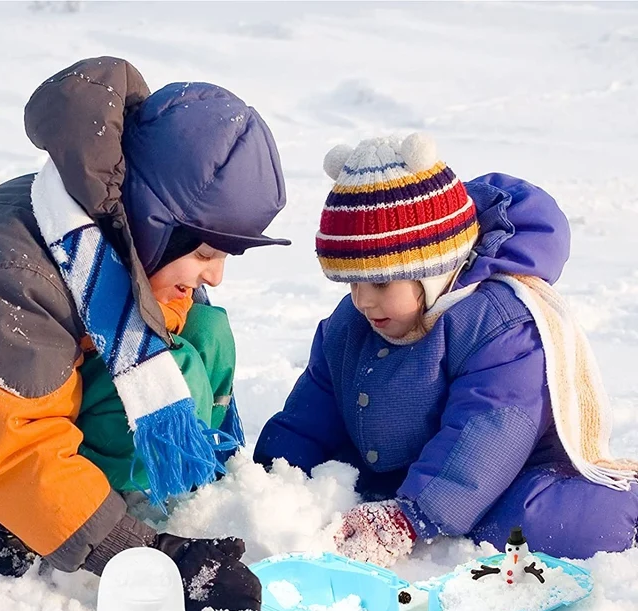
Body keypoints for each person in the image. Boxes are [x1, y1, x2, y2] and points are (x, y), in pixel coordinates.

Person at [0, 56, 290, 611]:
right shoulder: (5, 276)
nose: (217, 273)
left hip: (30, 377)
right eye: (205, 252)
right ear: (155, 220)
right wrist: (154, 557)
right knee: (44, 480)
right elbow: (17, 450)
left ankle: (112, 489)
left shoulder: (109, 222)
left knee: (203, 329)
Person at [254, 133, 638, 564]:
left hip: (507, 471)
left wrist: (412, 516)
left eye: (380, 282)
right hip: (403, 466)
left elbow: (488, 429)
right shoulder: (354, 322)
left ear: (433, 272)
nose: (362, 300)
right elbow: (315, 405)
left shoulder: (497, 324)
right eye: (352, 282)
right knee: (342, 484)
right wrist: (274, 476)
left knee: (528, 528)